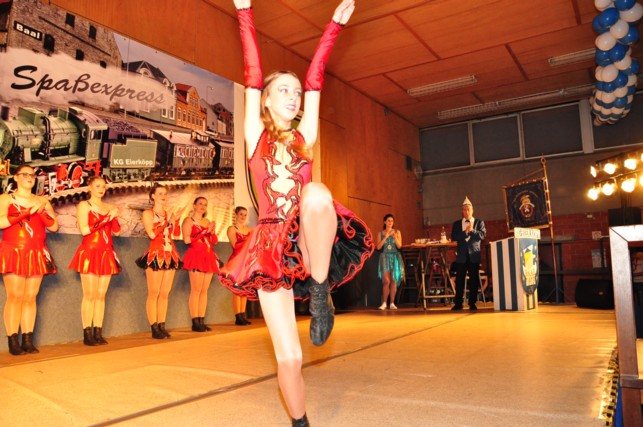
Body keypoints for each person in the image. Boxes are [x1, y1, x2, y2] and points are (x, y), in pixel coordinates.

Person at [220, 1, 372, 425]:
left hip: (305, 239)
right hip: (269, 249)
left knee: (317, 193)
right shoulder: (255, 136)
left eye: (295, 92)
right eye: (283, 90)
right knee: (290, 359)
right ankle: (299, 421)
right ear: (265, 100)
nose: (293, 96)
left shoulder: (306, 136)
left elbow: (316, 77)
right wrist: (244, 11)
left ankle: (321, 297)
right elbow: (252, 73)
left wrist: (334, 26)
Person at [0, 165, 58, 355]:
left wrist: (41, 211)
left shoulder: (42, 201)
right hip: (14, 250)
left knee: (30, 297)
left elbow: (54, 227)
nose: (29, 177)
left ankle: (27, 339)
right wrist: (25, 212)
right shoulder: (6, 198)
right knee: (15, 296)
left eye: (32, 175)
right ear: (16, 177)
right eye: (24, 174)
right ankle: (13, 340)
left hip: (37, 251)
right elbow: (1, 222)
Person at [68, 176, 121, 346]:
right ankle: (87, 333)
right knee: (89, 294)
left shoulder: (109, 207)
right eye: (97, 186)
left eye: (103, 186)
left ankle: (98, 331)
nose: (101, 189)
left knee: (101, 295)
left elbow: (117, 231)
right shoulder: (85, 205)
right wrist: (107, 218)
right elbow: (84, 230)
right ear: (90, 187)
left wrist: (114, 216)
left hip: (106, 252)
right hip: (90, 251)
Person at [136, 184, 184, 339]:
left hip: (170, 254)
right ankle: (154, 327)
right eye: (160, 193)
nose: (164, 196)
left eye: (165, 193)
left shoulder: (168, 213)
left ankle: (162, 325)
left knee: (165, 293)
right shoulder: (148, 213)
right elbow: (151, 234)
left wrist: (176, 220)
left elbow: (175, 234)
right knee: (154, 292)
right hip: (156, 254)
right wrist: (166, 221)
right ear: (153, 196)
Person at [182, 196, 218, 332]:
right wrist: (204, 231)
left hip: (208, 256)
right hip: (196, 256)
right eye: (200, 203)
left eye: (205, 204)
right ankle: (195, 322)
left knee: (204, 291)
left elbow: (214, 241)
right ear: (194, 205)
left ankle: (202, 320)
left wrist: (212, 231)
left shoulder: (207, 221)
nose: (203, 206)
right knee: (196, 290)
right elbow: (187, 240)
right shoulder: (188, 221)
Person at [450, 196, 486, 311]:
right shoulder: (456, 224)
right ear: (462, 211)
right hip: (461, 256)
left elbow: (482, 235)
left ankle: (472, 303)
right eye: (464, 210)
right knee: (459, 279)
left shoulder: (479, 222)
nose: (466, 212)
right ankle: (458, 303)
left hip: (474, 255)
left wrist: (472, 231)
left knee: (474, 280)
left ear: (472, 210)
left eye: (468, 209)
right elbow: (454, 236)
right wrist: (465, 233)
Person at [226, 206, 253, 325]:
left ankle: (243, 314)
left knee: (244, 289)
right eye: (241, 214)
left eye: (245, 215)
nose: (243, 217)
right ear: (236, 214)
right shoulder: (232, 229)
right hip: (237, 261)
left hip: (247, 261)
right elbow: (235, 245)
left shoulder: (249, 230)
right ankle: (238, 316)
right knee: (237, 289)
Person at [375, 214, 404, 310]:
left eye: (392, 221)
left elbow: (399, 246)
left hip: (395, 257)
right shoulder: (380, 233)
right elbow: (378, 247)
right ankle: (384, 303)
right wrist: (385, 237)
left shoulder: (397, 232)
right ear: (384, 222)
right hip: (385, 257)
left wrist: (395, 237)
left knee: (394, 280)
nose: (390, 222)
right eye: (388, 221)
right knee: (386, 281)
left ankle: (392, 303)